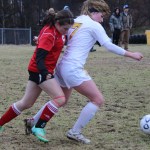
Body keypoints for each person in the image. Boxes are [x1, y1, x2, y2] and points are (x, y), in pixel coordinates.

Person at [24, 0, 143, 144]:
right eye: (102, 15)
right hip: (73, 68)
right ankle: (75, 132)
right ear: (95, 12)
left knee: (61, 100)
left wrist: (40, 38)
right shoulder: (94, 25)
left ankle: (32, 121)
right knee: (98, 100)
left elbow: (61, 36)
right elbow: (108, 45)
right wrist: (131, 54)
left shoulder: (77, 20)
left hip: (62, 67)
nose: (102, 19)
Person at [0, 9, 74, 143]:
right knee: (60, 98)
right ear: (57, 23)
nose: (67, 31)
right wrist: (45, 73)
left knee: (26, 103)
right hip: (40, 70)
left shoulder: (57, 31)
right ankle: (38, 126)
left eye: (69, 28)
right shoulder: (50, 34)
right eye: (65, 28)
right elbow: (40, 58)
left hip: (38, 70)